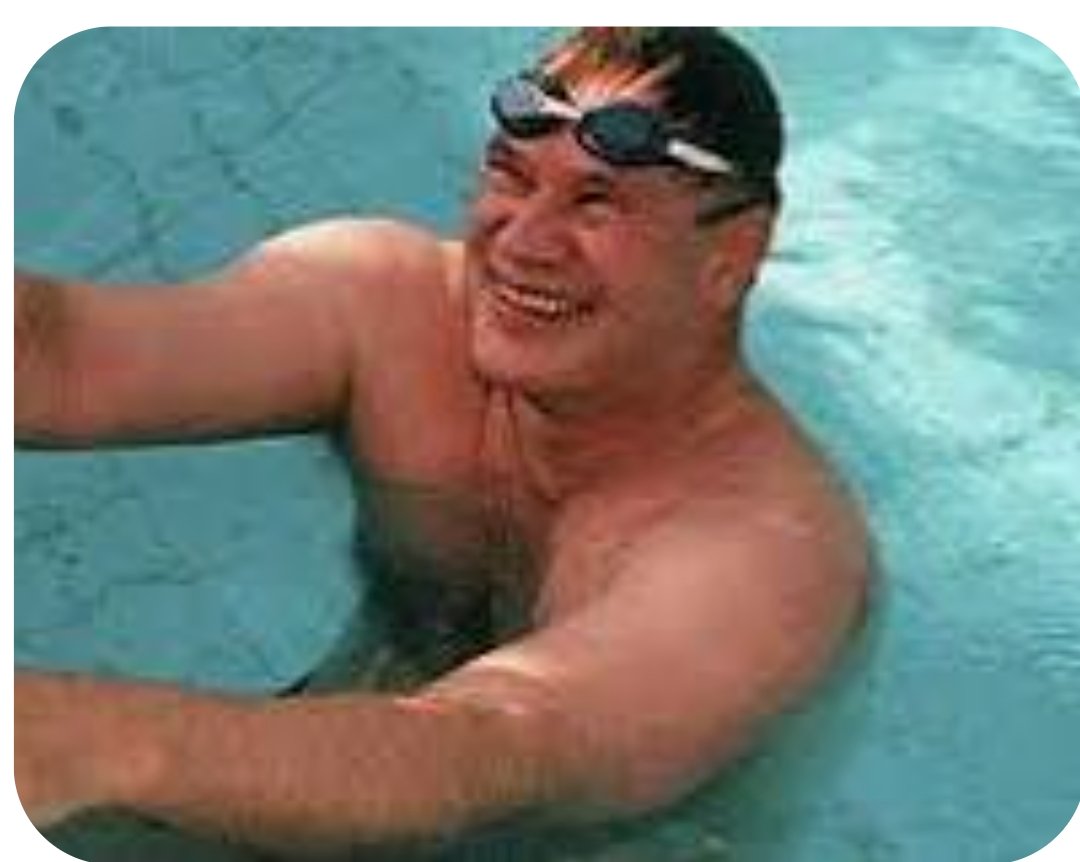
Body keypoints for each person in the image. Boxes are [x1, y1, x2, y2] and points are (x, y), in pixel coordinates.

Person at [14, 27, 869, 858]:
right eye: (511, 177)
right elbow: (57, 351)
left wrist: (82, 740)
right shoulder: (389, 310)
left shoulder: (770, 551)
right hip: (321, 765)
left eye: (597, 203)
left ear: (732, 254)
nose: (523, 244)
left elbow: (494, 745)